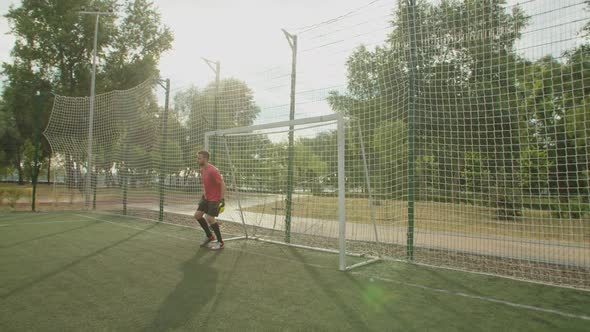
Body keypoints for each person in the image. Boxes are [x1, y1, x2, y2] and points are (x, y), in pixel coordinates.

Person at [194, 150, 225, 250]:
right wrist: (204, 194)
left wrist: (222, 199)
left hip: (214, 199)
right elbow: (206, 184)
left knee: (210, 218)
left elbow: (222, 184)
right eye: (197, 158)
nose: (197, 160)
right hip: (206, 197)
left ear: (205, 159)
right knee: (198, 215)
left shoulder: (213, 170)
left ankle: (220, 243)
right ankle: (209, 236)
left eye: (199, 158)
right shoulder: (202, 169)